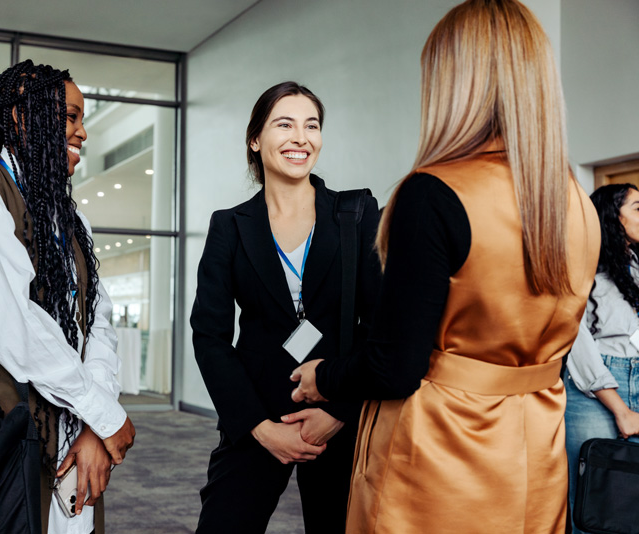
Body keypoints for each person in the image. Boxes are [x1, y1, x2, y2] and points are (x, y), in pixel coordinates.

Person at [290, 1, 600, 532]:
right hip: (535, 449)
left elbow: (395, 366)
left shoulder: (433, 193)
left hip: (441, 450)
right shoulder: (577, 203)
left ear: (456, 81)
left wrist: (324, 376)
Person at [0, 60, 135, 534]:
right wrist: (102, 412)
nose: (82, 133)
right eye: (70, 116)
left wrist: (95, 424)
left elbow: (98, 323)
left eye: (83, 120)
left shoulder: (71, 221)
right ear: (21, 116)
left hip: (67, 439)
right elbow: (15, 328)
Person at [190, 81, 380, 533]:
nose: (301, 137)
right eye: (285, 124)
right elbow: (210, 335)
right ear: (256, 140)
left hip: (340, 415)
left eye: (311, 125)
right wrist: (260, 427)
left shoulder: (355, 214)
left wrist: (339, 413)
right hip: (257, 415)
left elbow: (380, 325)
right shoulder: (229, 227)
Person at [565, 183, 639, 534]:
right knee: (595, 502)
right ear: (612, 217)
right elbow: (575, 338)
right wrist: (620, 409)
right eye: (638, 207)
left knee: (632, 501)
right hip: (595, 385)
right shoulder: (582, 265)